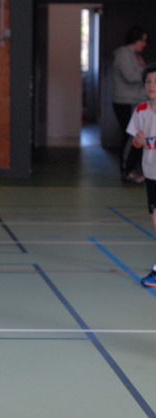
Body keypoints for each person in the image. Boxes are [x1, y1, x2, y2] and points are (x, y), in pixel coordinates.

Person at [126, 63, 156, 287]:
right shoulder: (141, 111)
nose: (152, 85)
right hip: (151, 174)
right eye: (148, 81)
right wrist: (138, 141)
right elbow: (137, 143)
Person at [113, 26, 149, 183]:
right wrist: (147, 74)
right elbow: (130, 76)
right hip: (126, 102)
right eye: (142, 40)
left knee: (138, 136)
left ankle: (131, 169)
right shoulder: (123, 55)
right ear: (135, 39)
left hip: (137, 101)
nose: (144, 44)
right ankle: (126, 171)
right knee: (131, 136)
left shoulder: (137, 57)